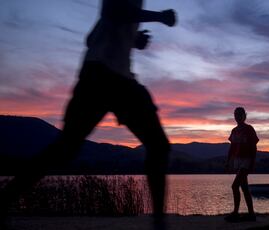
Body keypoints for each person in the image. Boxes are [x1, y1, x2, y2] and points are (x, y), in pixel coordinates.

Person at [0, 0, 176, 226]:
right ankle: (5, 198)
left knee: (158, 145)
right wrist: (160, 16)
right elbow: (113, 9)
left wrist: (132, 40)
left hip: (119, 79)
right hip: (99, 76)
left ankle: (160, 221)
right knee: (66, 149)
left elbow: (91, 38)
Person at [225, 107, 259, 222]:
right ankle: (251, 214)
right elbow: (232, 147)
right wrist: (228, 160)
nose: (237, 117)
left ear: (244, 116)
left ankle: (235, 213)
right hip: (237, 161)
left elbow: (254, 147)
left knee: (235, 186)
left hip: (246, 160)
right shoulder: (234, 131)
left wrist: (253, 162)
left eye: (240, 114)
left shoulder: (249, 129)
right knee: (244, 187)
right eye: (236, 114)